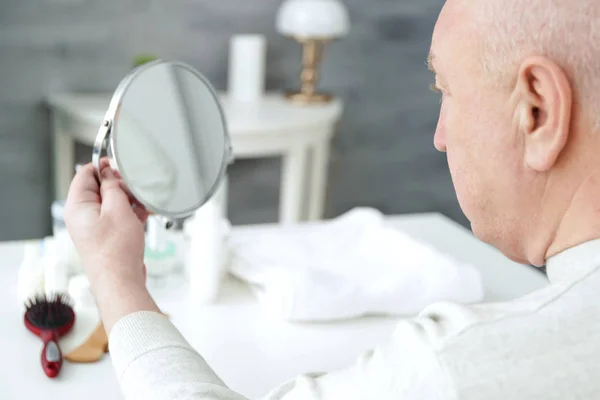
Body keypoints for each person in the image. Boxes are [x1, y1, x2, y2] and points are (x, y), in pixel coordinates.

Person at [64, 0, 600, 398]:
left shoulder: (464, 367)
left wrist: (115, 276)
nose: (440, 135)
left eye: (446, 90)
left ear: (538, 111)